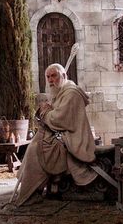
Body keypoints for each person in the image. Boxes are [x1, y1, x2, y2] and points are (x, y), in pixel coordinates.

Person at [14, 63, 98, 206]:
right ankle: (33, 189)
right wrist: (49, 109)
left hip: (74, 139)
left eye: (54, 76)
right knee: (36, 143)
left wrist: (46, 111)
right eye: (48, 77)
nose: (51, 80)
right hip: (64, 134)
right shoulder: (62, 92)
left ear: (63, 76)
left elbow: (60, 119)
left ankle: (32, 192)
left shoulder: (71, 93)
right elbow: (57, 114)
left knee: (37, 149)